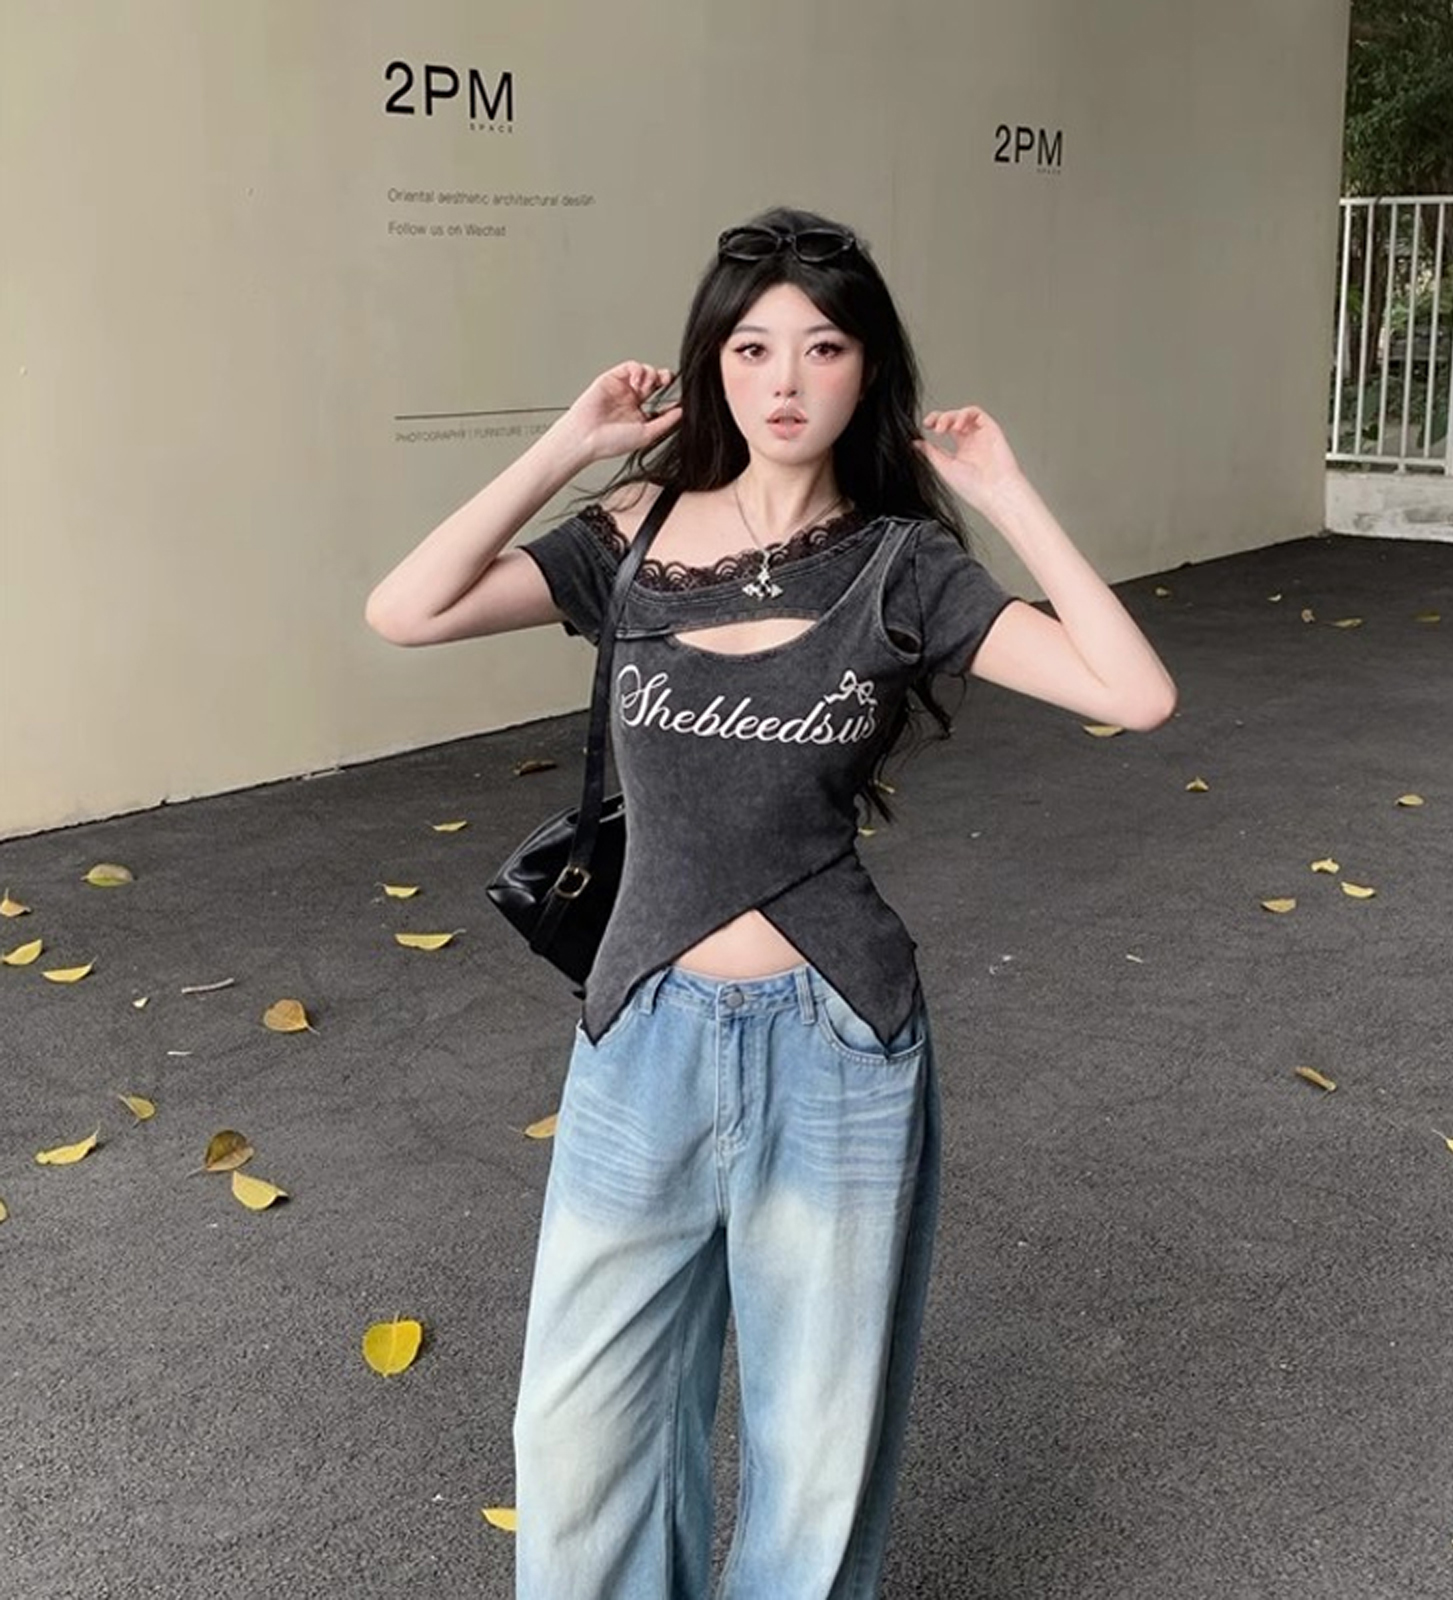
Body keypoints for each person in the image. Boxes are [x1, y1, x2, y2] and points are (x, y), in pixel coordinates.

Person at [365, 204, 1177, 1599]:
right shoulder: (635, 534)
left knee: (814, 1450)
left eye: (822, 347)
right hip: (641, 1027)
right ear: (713, 364)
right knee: (577, 1436)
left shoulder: (903, 567)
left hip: (837, 1038)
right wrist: (568, 447)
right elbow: (408, 608)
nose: (784, 379)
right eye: (751, 347)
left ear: (868, 370)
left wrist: (1004, 492)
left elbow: (1134, 693)